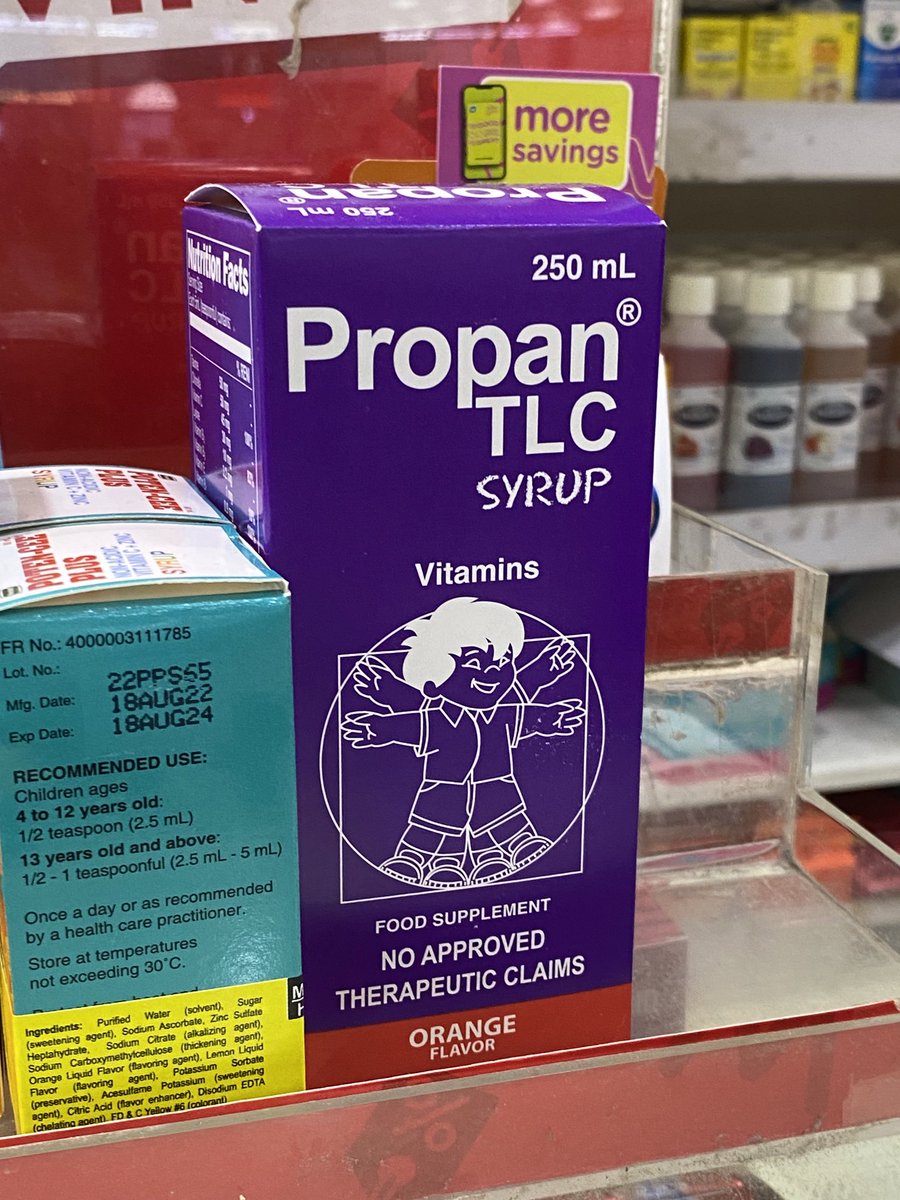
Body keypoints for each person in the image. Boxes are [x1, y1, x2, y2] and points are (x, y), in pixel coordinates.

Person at [342, 596, 584, 888]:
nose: (492, 672)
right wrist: (378, 725)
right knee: (436, 830)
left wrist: (550, 709)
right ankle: (425, 861)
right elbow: (407, 722)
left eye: (504, 662)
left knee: (504, 822)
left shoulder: (502, 713)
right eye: (474, 663)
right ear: (433, 680)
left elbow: (527, 711)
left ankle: (502, 853)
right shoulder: (437, 718)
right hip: (444, 790)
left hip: (497, 786)